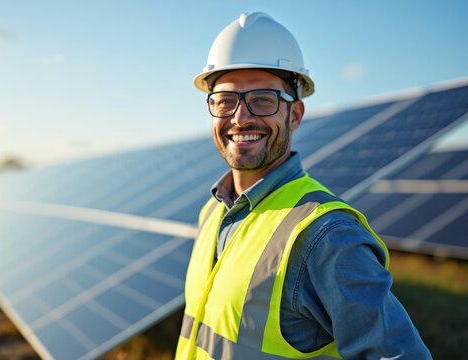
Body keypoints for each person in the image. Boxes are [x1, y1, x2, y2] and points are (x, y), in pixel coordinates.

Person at [176, 12, 432, 359]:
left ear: (294, 114)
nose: (240, 117)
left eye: (263, 99)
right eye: (225, 101)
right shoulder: (212, 213)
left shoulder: (326, 235)